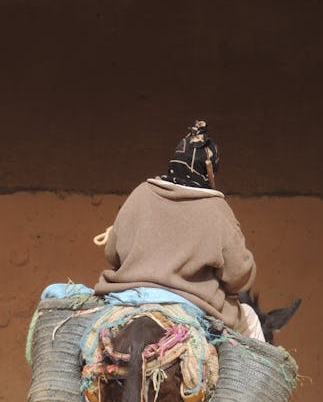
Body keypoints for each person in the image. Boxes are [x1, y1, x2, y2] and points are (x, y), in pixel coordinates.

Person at [94, 121, 265, 341]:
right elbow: (238, 276)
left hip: (128, 298)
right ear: (210, 171)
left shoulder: (140, 193)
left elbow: (111, 254)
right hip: (193, 306)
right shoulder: (217, 210)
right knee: (250, 317)